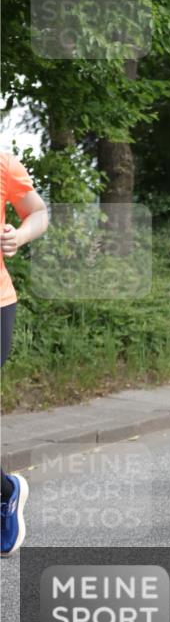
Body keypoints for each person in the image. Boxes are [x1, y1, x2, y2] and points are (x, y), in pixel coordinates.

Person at [1, 152, 49, 557]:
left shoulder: (2, 164)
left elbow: (38, 212)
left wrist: (19, 235)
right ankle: (6, 490)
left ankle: (5, 496)